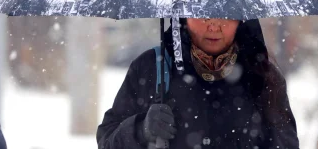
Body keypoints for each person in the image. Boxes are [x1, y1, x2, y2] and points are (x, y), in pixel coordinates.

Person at [97, 18, 299, 149]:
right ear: (184, 16)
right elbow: (107, 139)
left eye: (226, 16)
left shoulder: (262, 75)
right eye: (203, 15)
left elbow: (286, 144)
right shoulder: (152, 68)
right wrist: (141, 130)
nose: (214, 26)